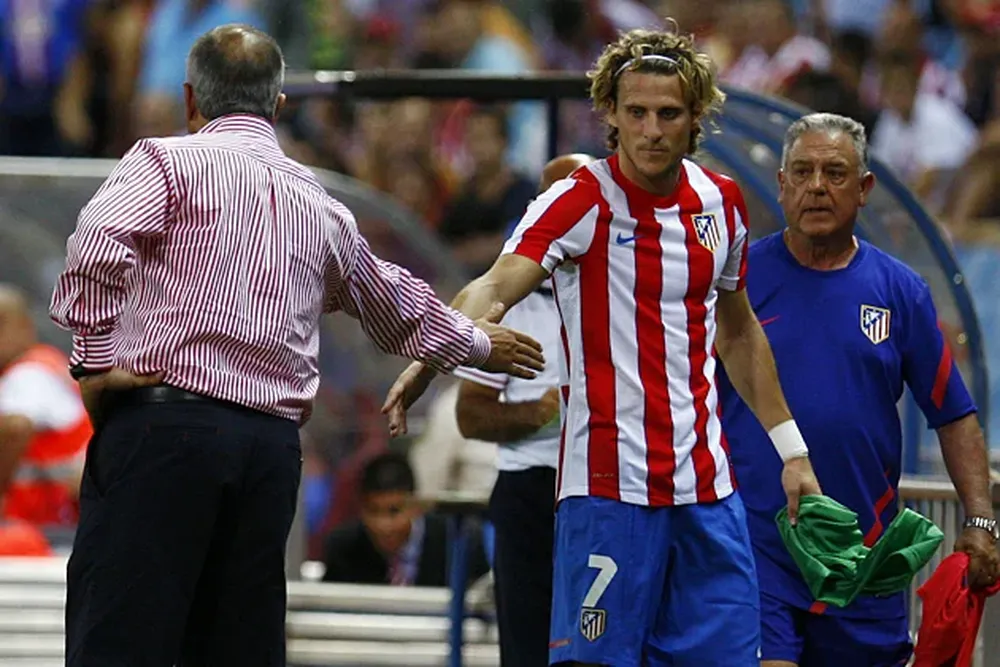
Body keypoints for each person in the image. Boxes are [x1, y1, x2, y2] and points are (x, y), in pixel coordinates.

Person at [47, 24, 543, 667]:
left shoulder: (164, 160)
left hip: (166, 428)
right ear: (278, 108)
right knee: (239, 647)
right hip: (268, 452)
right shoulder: (322, 204)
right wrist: (478, 343)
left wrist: (94, 361)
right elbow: (391, 301)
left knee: (122, 640)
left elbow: (96, 244)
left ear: (191, 100)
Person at [383, 25, 823, 666]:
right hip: (608, 493)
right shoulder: (580, 200)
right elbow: (495, 283)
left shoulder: (721, 203)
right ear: (610, 114)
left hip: (707, 491)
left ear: (695, 117)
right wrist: (430, 358)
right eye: (636, 112)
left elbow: (737, 329)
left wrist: (793, 451)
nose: (651, 129)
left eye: (668, 114)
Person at [718, 112, 1000, 667]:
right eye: (801, 172)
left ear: (865, 188)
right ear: (781, 185)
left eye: (835, 172)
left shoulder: (901, 291)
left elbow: (953, 415)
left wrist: (981, 520)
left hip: (864, 556)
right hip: (758, 544)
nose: (816, 187)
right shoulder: (736, 281)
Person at [452, 153, 594, 666]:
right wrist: (544, 411)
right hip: (532, 488)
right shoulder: (512, 303)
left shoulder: (622, 287)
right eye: (551, 200)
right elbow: (471, 416)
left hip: (610, 489)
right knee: (528, 644)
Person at [322, 451, 490, 587]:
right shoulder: (344, 548)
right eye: (373, 511)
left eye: (394, 511)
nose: (383, 525)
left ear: (416, 506)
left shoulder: (459, 541)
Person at [0, 284, 91, 526]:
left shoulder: (26, 374)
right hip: (65, 518)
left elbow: (16, 428)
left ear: (25, 328)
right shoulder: (47, 362)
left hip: (51, 522)